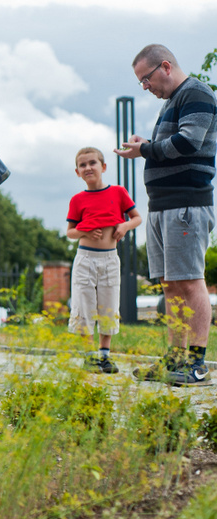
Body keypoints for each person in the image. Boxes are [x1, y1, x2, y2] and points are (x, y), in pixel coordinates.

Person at [116, 44, 217, 386]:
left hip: (186, 205)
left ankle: (196, 362)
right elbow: (171, 146)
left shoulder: (196, 93)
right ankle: (175, 360)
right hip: (162, 206)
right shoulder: (173, 101)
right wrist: (148, 144)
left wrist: (144, 149)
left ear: (165, 66)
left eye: (146, 79)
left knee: (190, 281)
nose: (145, 87)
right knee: (171, 285)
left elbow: (188, 142)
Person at [66, 147, 141, 374]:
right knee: (84, 304)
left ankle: (105, 355)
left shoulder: (118, 192)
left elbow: (136, 218)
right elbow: (70, 232)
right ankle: (90, 356)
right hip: (85, 259)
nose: (88, 167)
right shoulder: (78, 199)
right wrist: (84, 232)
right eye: (83, 165)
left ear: (103, 167)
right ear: (77, 172)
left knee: (108, 305)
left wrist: (125, 226)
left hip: (109, 259)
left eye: (92, 163)